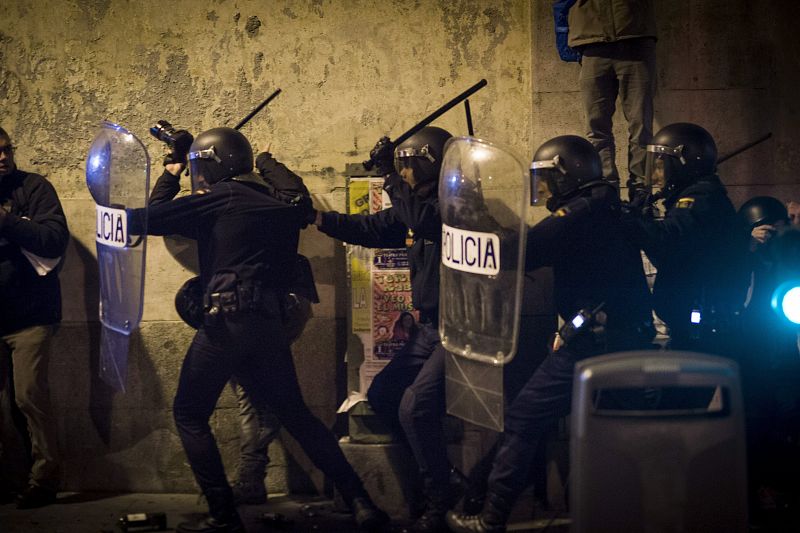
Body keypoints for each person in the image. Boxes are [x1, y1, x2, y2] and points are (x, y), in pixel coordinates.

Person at [128, 127, 386, 533]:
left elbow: (146, 218)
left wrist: (171, 172)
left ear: (211, 165)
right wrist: (267, 159)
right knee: (296, 415)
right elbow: (297, 194)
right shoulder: (277, 203)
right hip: (269, 324)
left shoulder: (217, 200)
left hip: (226, 322)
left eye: (198, 167)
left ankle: (223, 515)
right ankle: (362, 502)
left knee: (189, 414)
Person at [446, 135, 654, 533]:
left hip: (597, 344)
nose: (541, 188)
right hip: (611, 335)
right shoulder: (599, 207)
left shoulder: (579, 215)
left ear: (567, 174)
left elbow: (523, 251)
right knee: (621, 431)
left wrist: (475, 225)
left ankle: (492, 519)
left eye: (546, 178)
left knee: (525, 416)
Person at [312, 126, 458, 532]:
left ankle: (438, 502)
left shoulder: (457, 203)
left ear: (432, 166)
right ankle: (438, 477)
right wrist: (319, 218)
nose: (404, 172)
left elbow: (425, 222)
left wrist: (388, 177)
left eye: (410, 165)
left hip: (459, 329)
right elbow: (373, 228)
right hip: (430, 329)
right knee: (384, 393)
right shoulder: (417, 205)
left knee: (415, 407)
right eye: (402, 166)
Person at [621, 122, 749, 354]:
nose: (655, 176)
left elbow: (668, 245)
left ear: (682, 164)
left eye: (660, 167)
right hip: (691, 328)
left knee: (685, 389)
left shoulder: (699, 200)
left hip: (703, 333)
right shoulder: (698, 197)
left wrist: (633, 221)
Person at [0, 126, 69, 508]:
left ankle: (45, 479)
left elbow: (55, 240)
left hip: (31, 316)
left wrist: (8, 221)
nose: (3, 157)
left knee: (29, 395)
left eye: (7, 149)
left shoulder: (34, 188)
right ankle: (12, 479)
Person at [568, 0, 657, 197]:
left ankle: (642, 195)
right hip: (591, 43)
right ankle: (605, 193)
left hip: (636, 38)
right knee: (596, 128)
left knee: (641, 125)